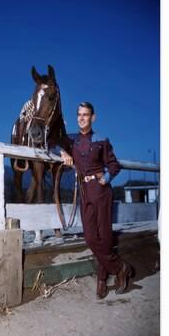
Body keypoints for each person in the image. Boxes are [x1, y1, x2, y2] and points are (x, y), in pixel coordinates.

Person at [57, 102, 133, 299]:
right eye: (79, 115)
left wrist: (105, 178)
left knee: (105, 236)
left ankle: (101, 278)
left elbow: (114, 165)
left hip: (100, 191)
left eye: (86, 114)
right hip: (84, 192)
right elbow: (52, 140)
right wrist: (63, 152)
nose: (82, 118)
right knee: (91, 237)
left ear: (93, 117)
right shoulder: (71, 140)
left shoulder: (101, 139)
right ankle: (121, 267)